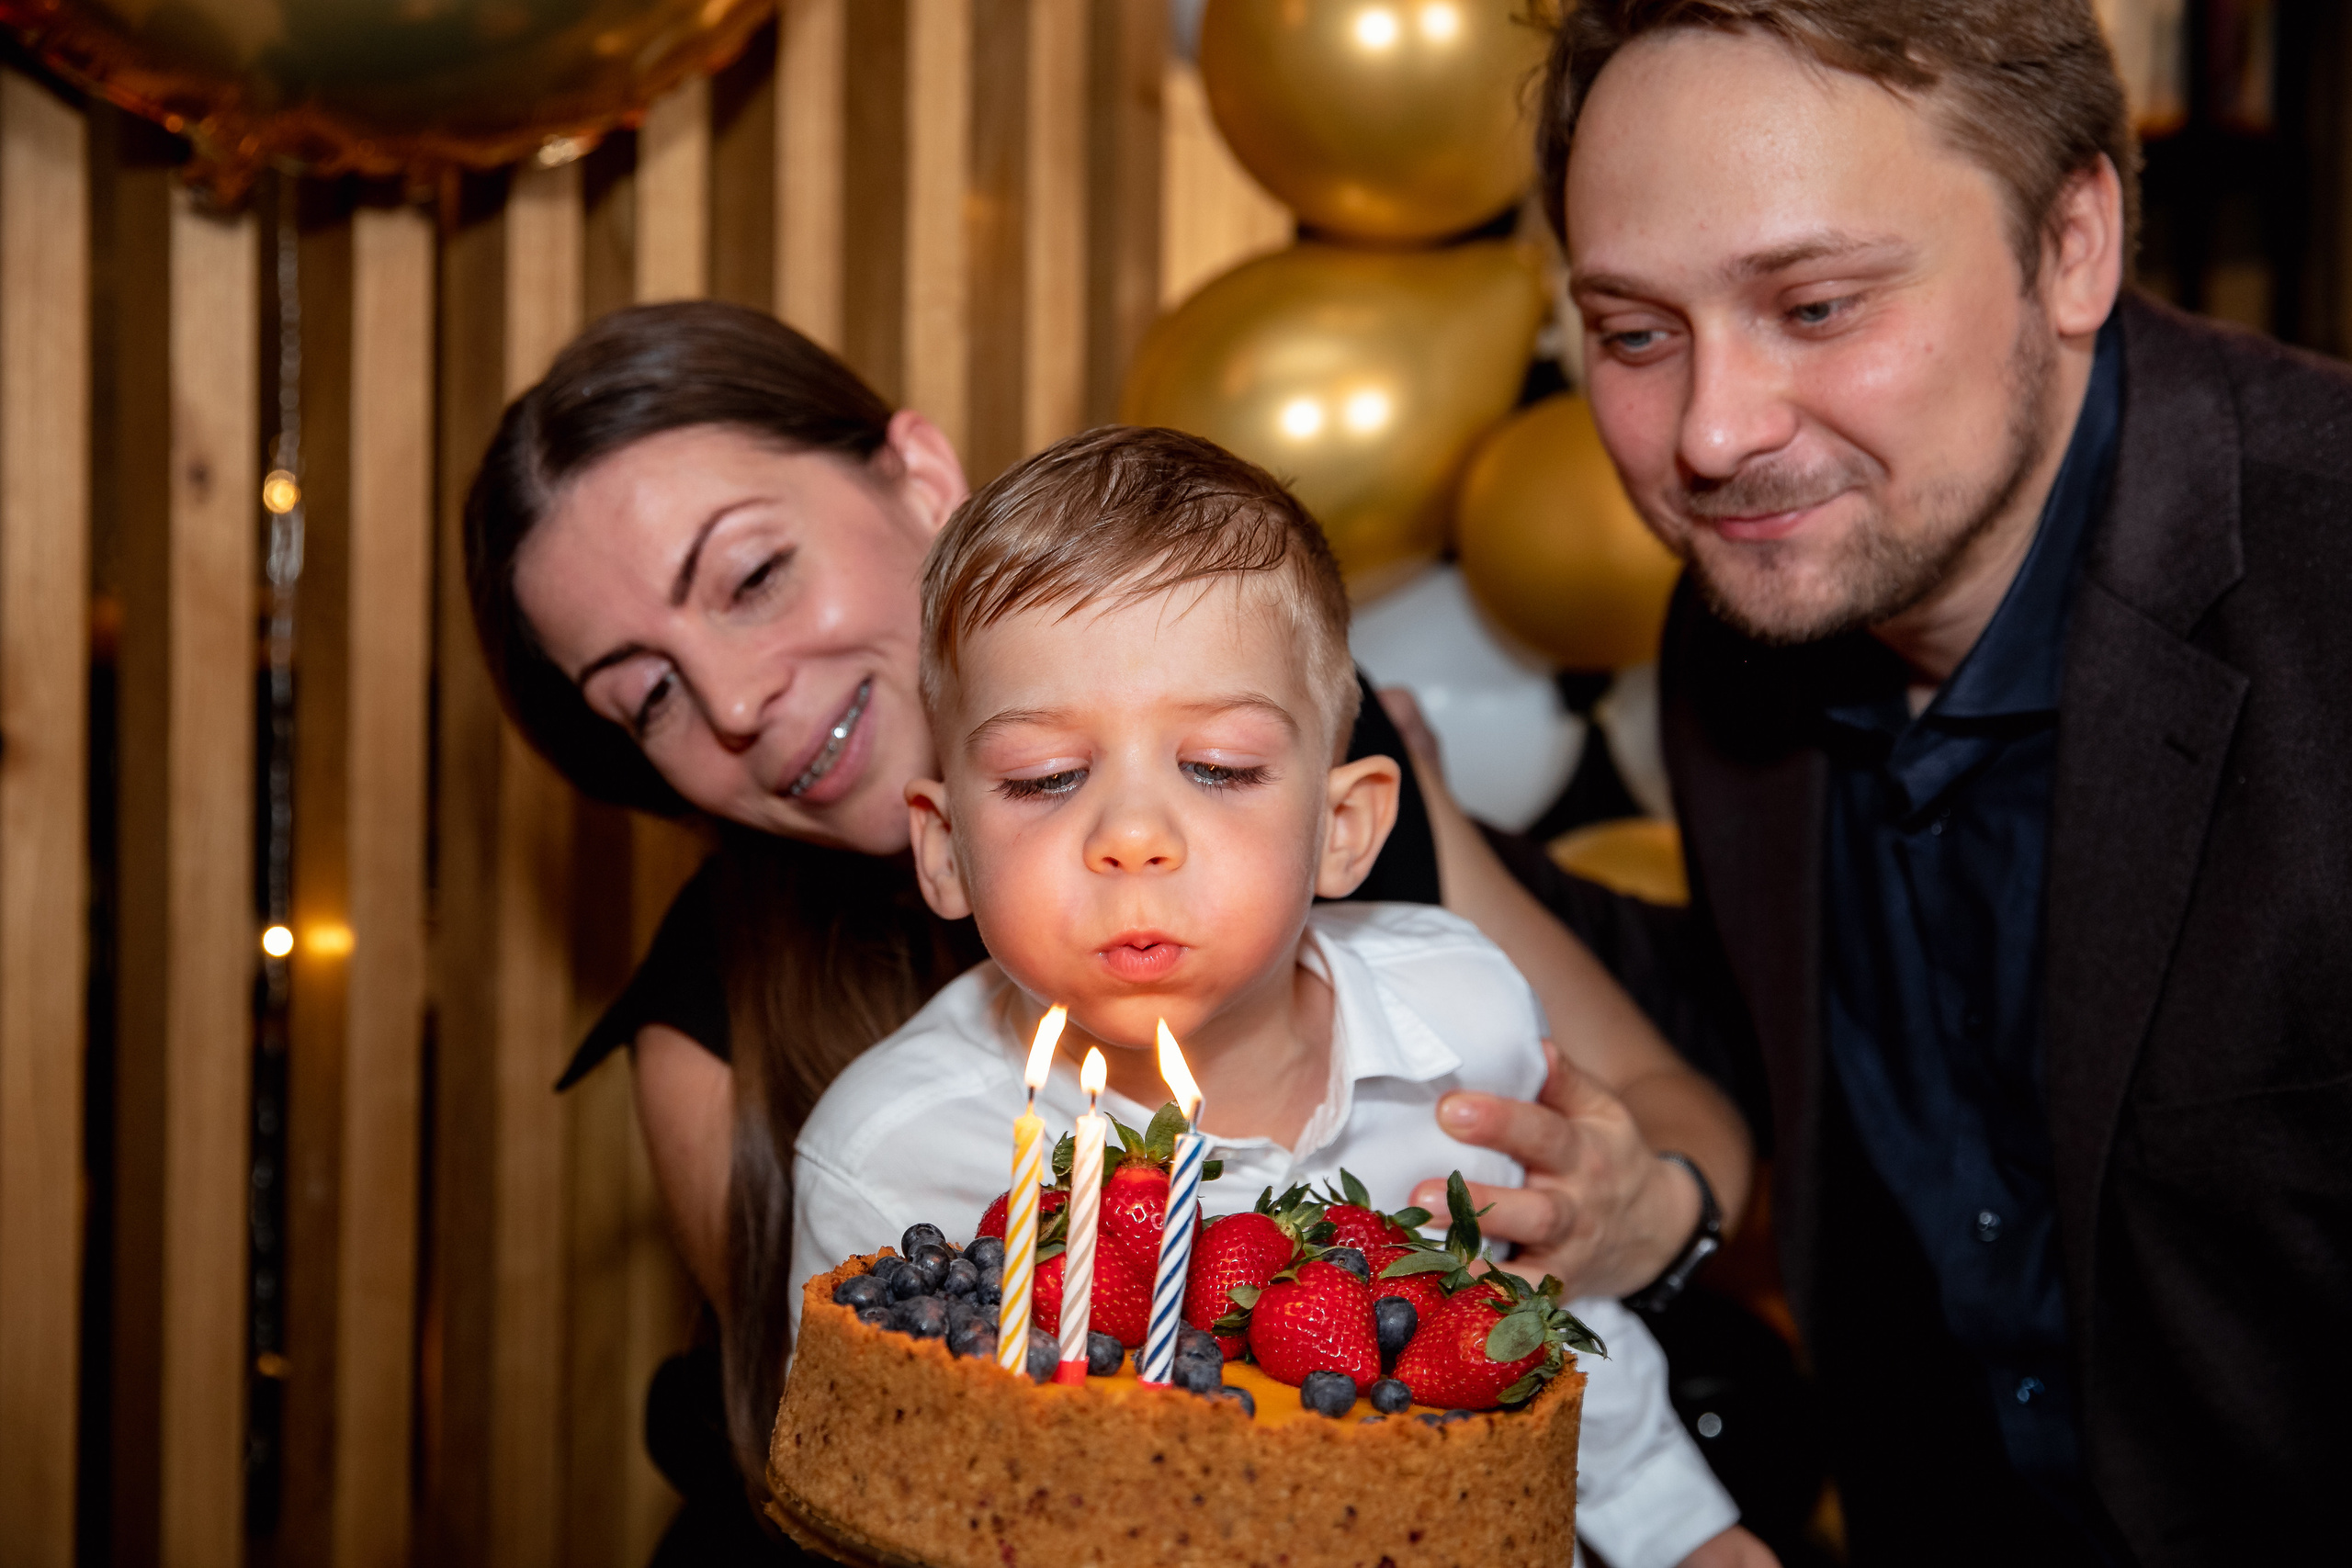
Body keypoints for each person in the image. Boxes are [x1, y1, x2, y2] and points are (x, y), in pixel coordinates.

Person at [464, 303, 1758, 1554]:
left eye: (751, 575)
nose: (738, 699)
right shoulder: (785, 1067)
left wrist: (1640, 1217)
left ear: (916, 476)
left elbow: (1655, 1128)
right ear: (943, 847)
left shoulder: (1361, 862)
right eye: (650, 696)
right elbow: (873, 1467)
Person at [1430, 2, 2352, 1563]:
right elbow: (1769, 1010)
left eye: (1817, 304)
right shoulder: (1762, 600)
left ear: (2073, 242)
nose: (1712, 435)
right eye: (1637, 333)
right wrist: (1393, 806)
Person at [786, 426, 1770, 1568]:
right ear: (947, 847)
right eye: (1046, 779)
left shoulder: (1463, 1020)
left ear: (1342, 827)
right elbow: (871, 1505)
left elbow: (1540, 1324)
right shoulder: (884, 1159)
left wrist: (1693, 1539)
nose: (1135, 837)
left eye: (1219, 768)